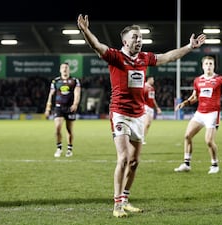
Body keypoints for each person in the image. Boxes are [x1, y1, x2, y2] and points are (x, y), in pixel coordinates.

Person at [77, 14, 206, 218]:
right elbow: (97, 46)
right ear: (125, 41)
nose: (139, 40)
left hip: (138, 115)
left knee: (135, 161)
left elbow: (168, 57)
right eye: (135, 37)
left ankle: (126, 200)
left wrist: (189, 47)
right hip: (120, 113)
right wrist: (85, 31)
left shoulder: (144, 58)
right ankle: (117, 205)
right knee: (123, 158)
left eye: (140, 37)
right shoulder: (116, 57)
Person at [174, 55, 222, 174]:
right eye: (206, 64)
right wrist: (185, 103)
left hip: (212, 114)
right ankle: (186, 164)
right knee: (187, 136)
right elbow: (195, 97)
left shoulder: (220, 79)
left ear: (214, 66)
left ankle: (215, 164)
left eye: (211, 64)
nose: (208, 66)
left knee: (208, 141)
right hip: (199, 113)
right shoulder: (198, 80)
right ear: (202, 66)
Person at [44, 62, 81, 158]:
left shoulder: (74, 80)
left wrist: (75, 104)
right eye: (63, 68)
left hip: (70, 108)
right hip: (58, 107)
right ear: (60, 70)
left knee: (69, 130)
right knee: (57, 129)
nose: (64, 69)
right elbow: (50, 94)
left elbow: (77, 93)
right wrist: (48, 107)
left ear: (69, 69)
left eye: (66, 68)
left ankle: (69, 149)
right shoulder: (55, 81)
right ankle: (59, 148)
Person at [143, 75, 162, 145]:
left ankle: (142, 138)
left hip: (151, 108)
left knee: (148, 125)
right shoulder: (143, 87)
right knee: (146, 123)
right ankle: (140, 138)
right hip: (145, 106)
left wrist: (157, 108)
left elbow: (153, 99)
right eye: (152, 79)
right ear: (149, 79)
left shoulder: (152, 88)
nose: (153, 81)